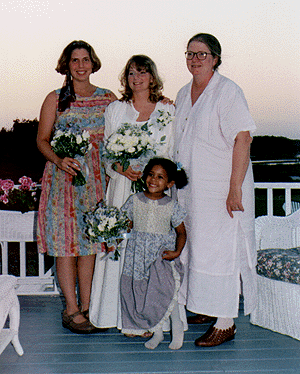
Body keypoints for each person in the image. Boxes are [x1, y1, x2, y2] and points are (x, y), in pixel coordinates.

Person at [174, 33, 257, 347]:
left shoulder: (228, 91)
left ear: (216, 59)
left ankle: (226, 322)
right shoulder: (184, 93)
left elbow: (243, 139)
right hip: (192, 191)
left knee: (221, 252)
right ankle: (206, 307)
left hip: (223, 188)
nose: (195, 60)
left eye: (202, 54)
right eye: (190, 53)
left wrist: (234, 189)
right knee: (197, 249)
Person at [36, 40, 117, 334]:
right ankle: (70, 308)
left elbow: (128, 121)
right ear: (66, 65)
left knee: (90, 244)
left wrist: (163, 102)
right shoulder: (55, 98)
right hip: (63, 180)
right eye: (75, 60)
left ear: (93, 63)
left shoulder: (108, 98)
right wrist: (60, 160)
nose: (81, 66)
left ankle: (88, 306)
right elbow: (42, 140)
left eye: (85, 60)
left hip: (95, 179)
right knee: (66, 245)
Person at [89, 55, 175, 330]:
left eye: (142, 72)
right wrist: (121, 167)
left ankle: (150, 318)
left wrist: (152, 175)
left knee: (150, 252)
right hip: (123, 188)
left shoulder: (166, 110)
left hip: (154, 193)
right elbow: (107, 151)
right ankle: (115, 316)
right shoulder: (116, 109)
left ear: (152, 76)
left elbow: (169, 151)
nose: (136, 78)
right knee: (121, 247)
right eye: (131, 74)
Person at [120, 158, 188, 349]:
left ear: (169, 184)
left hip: (160, 257)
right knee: (146, 296)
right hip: (138, 257)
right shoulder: (134, 201)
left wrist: (176, 252)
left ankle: (177, 328)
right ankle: (156, 332)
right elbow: (126, 227)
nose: (153, 180)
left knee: (165, 293)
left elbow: (181, 232)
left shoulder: (171, 205)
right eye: (151, 174)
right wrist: (114, 240)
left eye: (160, 177)